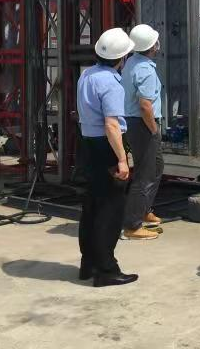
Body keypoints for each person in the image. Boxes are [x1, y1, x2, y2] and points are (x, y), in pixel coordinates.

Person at [77, 27, 137, 287]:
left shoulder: (87, 75)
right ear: (122, 57)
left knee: (92, 206)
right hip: (106, 145)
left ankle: (88, 263)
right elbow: (112, 124)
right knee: (110, 209)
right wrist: (122, 159)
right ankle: (106, 269)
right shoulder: (111, 83)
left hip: (88, 143)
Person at [121, 24, 164, 241]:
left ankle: (144, 209)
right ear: (152, 46)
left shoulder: (132, 62)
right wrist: (154, 130)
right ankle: (132, 225)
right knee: (145, 174)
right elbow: (145, 105)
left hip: (135, 123)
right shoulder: (145, 70)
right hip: (142, 124)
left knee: (156, 166)